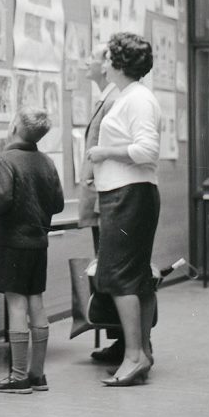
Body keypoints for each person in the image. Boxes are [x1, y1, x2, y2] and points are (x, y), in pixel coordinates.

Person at [87, 32, 162, 387]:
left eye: (106, 58)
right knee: (136, 278)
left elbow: (147, 150)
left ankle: (133, 355)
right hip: (126, 194)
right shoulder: (129, 97)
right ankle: (140, 351)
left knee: (119, 278)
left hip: (128, 195)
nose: (102, 64)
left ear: (118, 63)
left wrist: (104, 153)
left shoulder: (138, 100)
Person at [0, 107, 65, 394]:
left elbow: (2, 199)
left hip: (13, 243)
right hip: (38, 243)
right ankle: (37, 375)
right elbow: (58, 205)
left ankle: (18, 377)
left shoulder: (6, 159)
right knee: (36, 302)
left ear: (14, 126)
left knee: (16, 303)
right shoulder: (47, 162)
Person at [76, 43, 124, 363]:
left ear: (106, 65)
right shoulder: (105, 98)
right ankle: (119, 340)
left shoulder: (114, 100)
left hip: (107, 197)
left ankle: (124, 341)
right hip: (100, 196)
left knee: (113, 268)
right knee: (107, 268)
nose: (87, 63)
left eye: (92, 58)